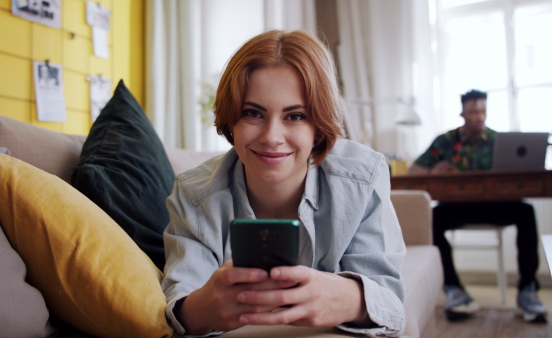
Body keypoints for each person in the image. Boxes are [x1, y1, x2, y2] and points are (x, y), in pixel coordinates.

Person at [161, 30, 407, 336]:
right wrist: (203, 308)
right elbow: (180, 307)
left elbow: (393, 307)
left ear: (318, 126)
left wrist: (349, 298)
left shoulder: (362, 177)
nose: (272, 138)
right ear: (231, 121)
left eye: (295, 116)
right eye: (253, 113)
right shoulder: (193, 195)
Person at [408, 89, 548, 323]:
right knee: (431, 218)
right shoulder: (445, 141)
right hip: (458, 207)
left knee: (526, 211)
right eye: (473, 112)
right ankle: (453, 289)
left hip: (494, 206)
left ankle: (528, 291)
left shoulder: (498, 141)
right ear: (463, 113)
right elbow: (414, 169)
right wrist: (433, 171)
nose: (479, 116)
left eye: (482, 111)